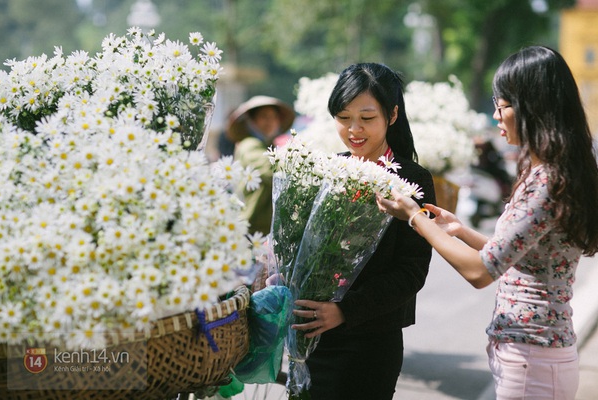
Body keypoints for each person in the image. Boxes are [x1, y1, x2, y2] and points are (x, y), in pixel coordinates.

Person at [377, 46, 598, 400]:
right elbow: (521, 257)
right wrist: (461, 231)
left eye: (504, 104)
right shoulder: (551, 173)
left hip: (534, 357)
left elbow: (481, 272)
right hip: (533, 355)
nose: (496, 114)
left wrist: (415, 217)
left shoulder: (547, 182)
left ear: (533, 108)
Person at [290, 63, 436, 399]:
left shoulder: (413, 181)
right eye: (343, 117)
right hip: (312, 337)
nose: (354, 129)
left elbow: (412, 271)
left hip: (370, 343)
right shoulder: (327, 170)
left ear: (393, 115)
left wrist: (345, 311)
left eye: (367, 118)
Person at [227, 95, 295, 235]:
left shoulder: (270, 147)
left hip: (265, 231)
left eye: (274, 117)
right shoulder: (249, 144)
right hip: (249, 229)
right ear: (252, 121)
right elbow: (270, 170)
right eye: (264, 116)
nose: (270, 121)